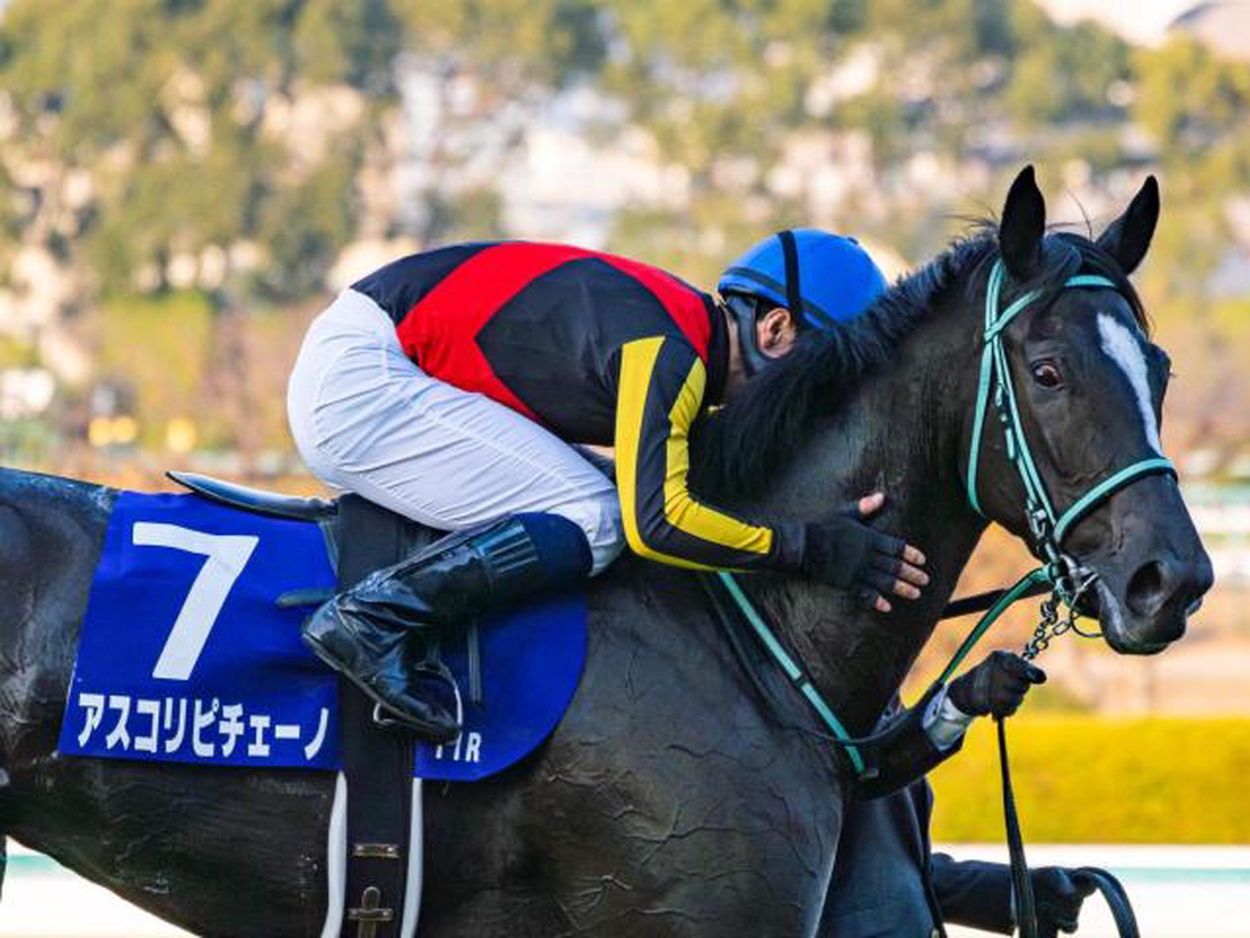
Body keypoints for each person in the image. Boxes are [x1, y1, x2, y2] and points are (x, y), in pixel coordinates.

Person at [287, 231, 929, 739]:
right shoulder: (671, 350)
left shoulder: (681, 339)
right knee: (598, 515)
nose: (817, 403)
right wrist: (811, 551)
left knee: (598, 500)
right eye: (823, 376)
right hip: (361, 382)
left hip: (380, 360)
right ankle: (369, 620)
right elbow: (659, 523)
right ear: (776, 330)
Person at [824, 650, 1096, 937]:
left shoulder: (874, 695)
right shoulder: (791, 701)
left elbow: (894, 871)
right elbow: (861, 768)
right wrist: (961, 703)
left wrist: (1020, 893)